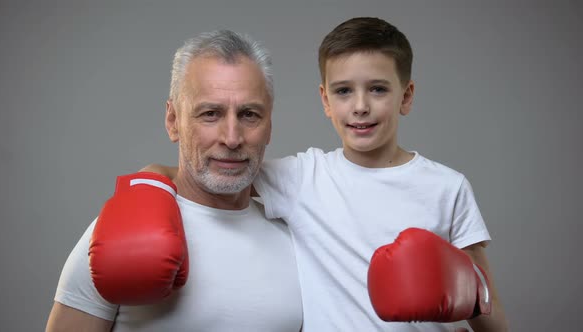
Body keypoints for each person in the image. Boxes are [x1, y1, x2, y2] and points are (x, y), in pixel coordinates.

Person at [142, 17, 509, 331]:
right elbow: (208, 172)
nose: (361, 106)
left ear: (406, 96)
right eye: (344, 91)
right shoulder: (303, 178)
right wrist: (145, 186)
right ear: (325, 101)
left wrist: (468, 298)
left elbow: (484, 298)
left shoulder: (448, 187)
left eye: (378, 89)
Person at [45, 30, 303, 332]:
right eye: (210, 113)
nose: (232, 138)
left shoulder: (296, 239)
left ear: (269, 124)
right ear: (173, 121)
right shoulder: (122, 232)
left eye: (249, 114)